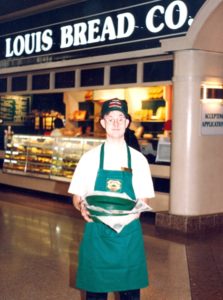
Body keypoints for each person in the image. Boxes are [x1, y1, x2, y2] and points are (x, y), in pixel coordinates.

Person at [68, 98, 155, 300]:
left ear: (126, 123)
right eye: (110, 118)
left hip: (128, 236)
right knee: (96, 294)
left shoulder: (138, 160)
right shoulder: (89, 159)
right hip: (96, 234)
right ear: (103, 123)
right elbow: (77, 196)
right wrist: (81, 206)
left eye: (120, 118)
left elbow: (144, 200)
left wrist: (130, 213)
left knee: (130, 294)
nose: (116, 123)